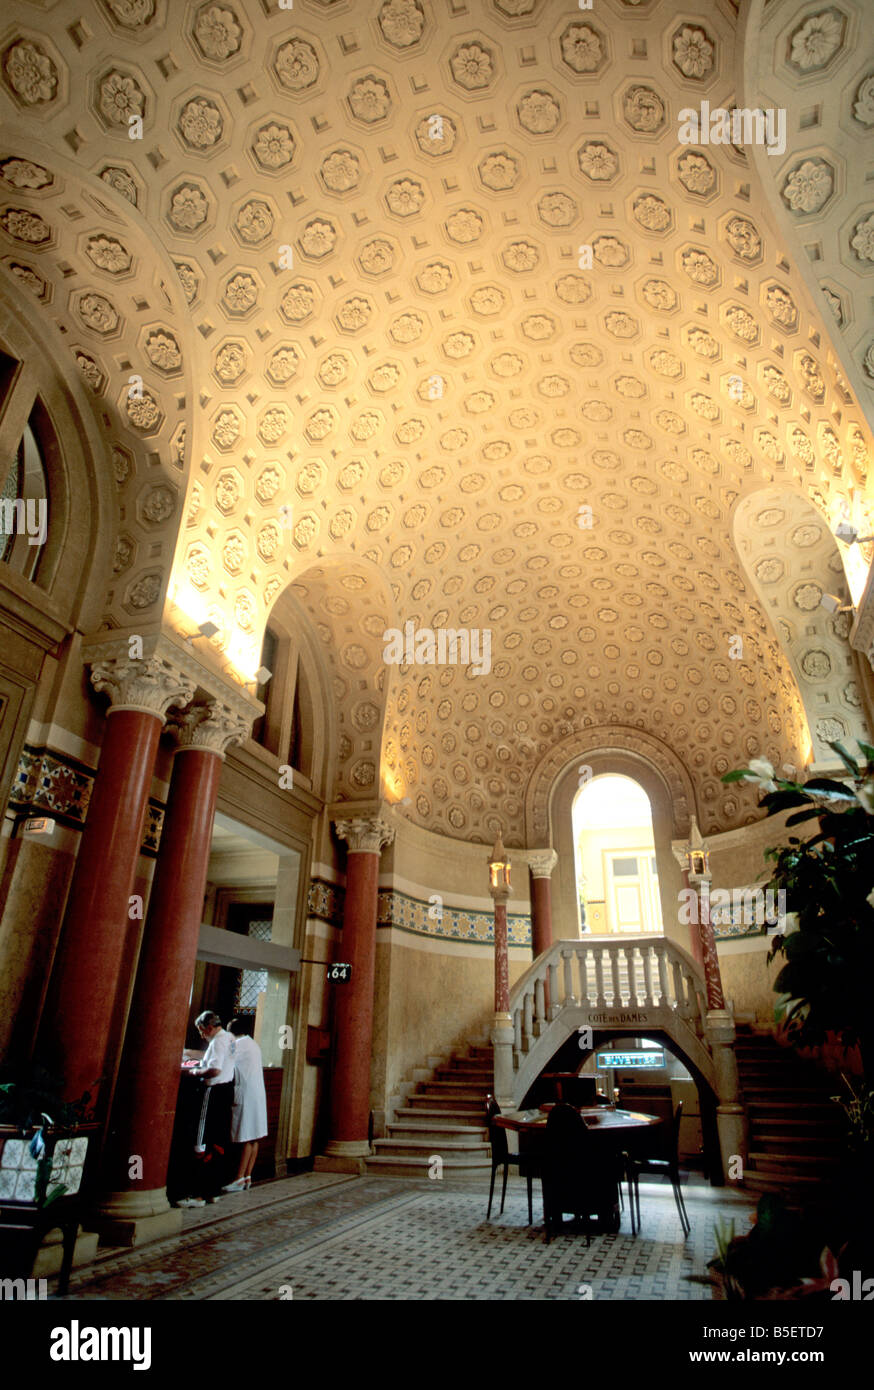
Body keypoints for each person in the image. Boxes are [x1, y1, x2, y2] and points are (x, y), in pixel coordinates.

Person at [176, 1011, 235, 1208]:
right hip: (226, 1091)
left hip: (213, 1091)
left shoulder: (218, 1041)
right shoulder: (229, 1038)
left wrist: (195, 1072)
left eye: (201, 1031)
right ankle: (212, 1190)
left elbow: (215, 1069)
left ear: (209, 1027)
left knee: (201, 1141)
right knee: (216, 1141)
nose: (201, 1035)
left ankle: (197, 1194)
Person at [222, 1016, 268, 1193]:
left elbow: (222, 1059)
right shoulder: (253, 1044)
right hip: (256, 1094)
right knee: (254, 1136)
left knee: (245, 1136)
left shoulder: (238, 1044)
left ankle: (238, 1177)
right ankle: (247, 1176)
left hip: (246, 1095)